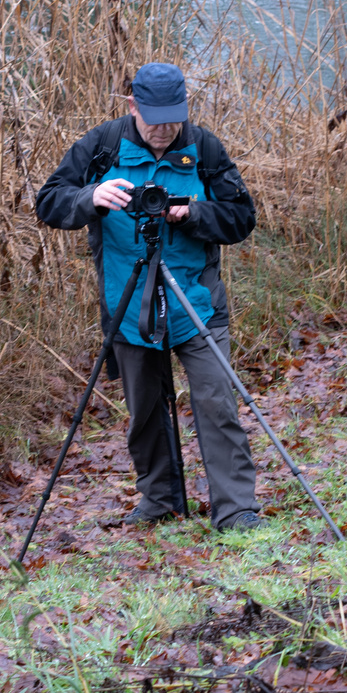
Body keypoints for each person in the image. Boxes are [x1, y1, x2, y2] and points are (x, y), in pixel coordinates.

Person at [35, 63, 265, 534]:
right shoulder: (99, 147)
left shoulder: (203, 148)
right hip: (127, 305)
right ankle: (160, 500)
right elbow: (49, 202)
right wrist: (91, 197)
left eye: (172, 118)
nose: (163, 130)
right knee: (143, 412)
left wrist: (194, 214)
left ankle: (237, 509)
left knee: (218, 404)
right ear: (132, 106)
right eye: (154, 118)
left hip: (197, 304)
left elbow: (242, 217)